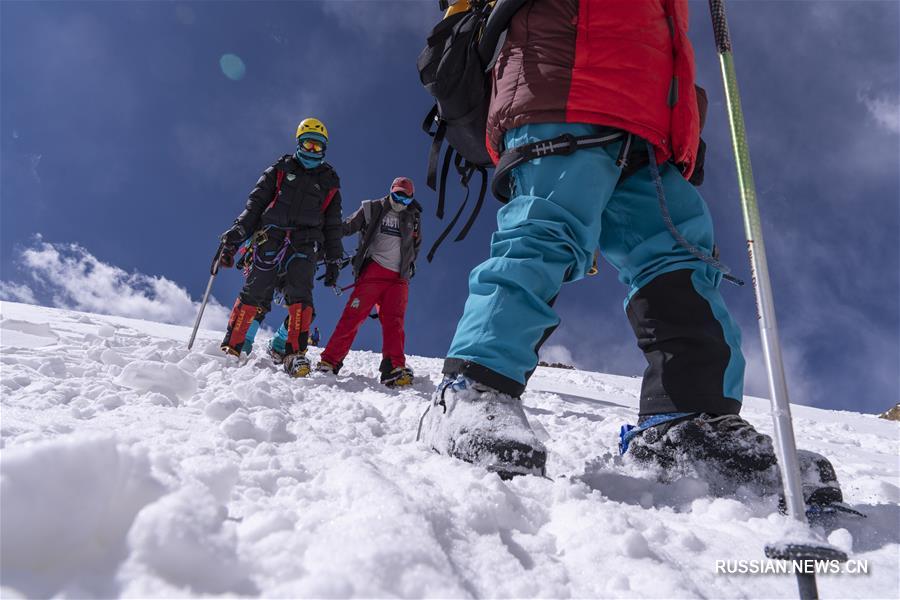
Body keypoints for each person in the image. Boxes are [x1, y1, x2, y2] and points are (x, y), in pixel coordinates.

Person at [418, 0, 775, 482]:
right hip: (562, 77)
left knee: (682, 260)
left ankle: (690, 418)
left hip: (652, 114)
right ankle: (474, 388)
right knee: (545, 229)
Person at [218, 118, 343, 378]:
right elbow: (255, 205)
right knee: (255, 291)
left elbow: (333, 225)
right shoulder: (280, 168)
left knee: (302, 298)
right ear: (299, 143)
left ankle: (293, 353)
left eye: (318, 147)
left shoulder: (329, 180)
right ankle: (235, 345)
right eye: (308, 144)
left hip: (305, 244)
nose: (312, 150)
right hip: (270, 238)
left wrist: (333, 260)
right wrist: (237, 235)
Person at [314, 177, 422, 387]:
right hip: (373, 272)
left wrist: (409, 267)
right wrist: (326, 228)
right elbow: (347, 226)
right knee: (352, 317)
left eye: (406, 198)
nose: (401, 201)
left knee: (395, 322)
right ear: (391, 191)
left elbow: (415, 245)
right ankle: (329, 361)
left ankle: (394, 367)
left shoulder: (414, 217)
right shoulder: (372, 208)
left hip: (398, 279)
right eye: (397, 195)